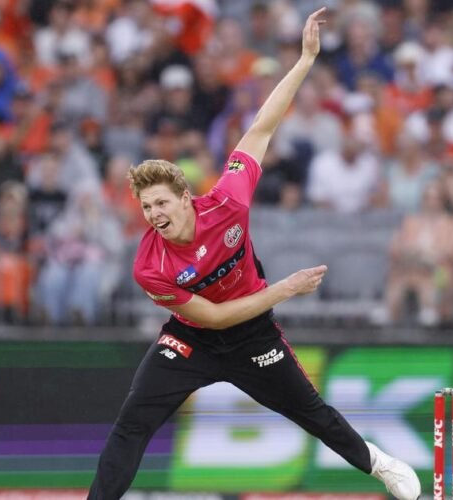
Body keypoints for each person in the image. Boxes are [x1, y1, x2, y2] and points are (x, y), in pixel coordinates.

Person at [88, 9, 421, 500]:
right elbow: (214, 317)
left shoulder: (228, 200)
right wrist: (286, 288)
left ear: (185, 197)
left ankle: (380, 465)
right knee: (132, 423)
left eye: (161, 203)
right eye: (146, 207)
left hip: (252, 337)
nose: (154, 214)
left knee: (311, 412)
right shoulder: (149, 266)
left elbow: (262, 127)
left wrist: (305, 60)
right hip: (193, 339)